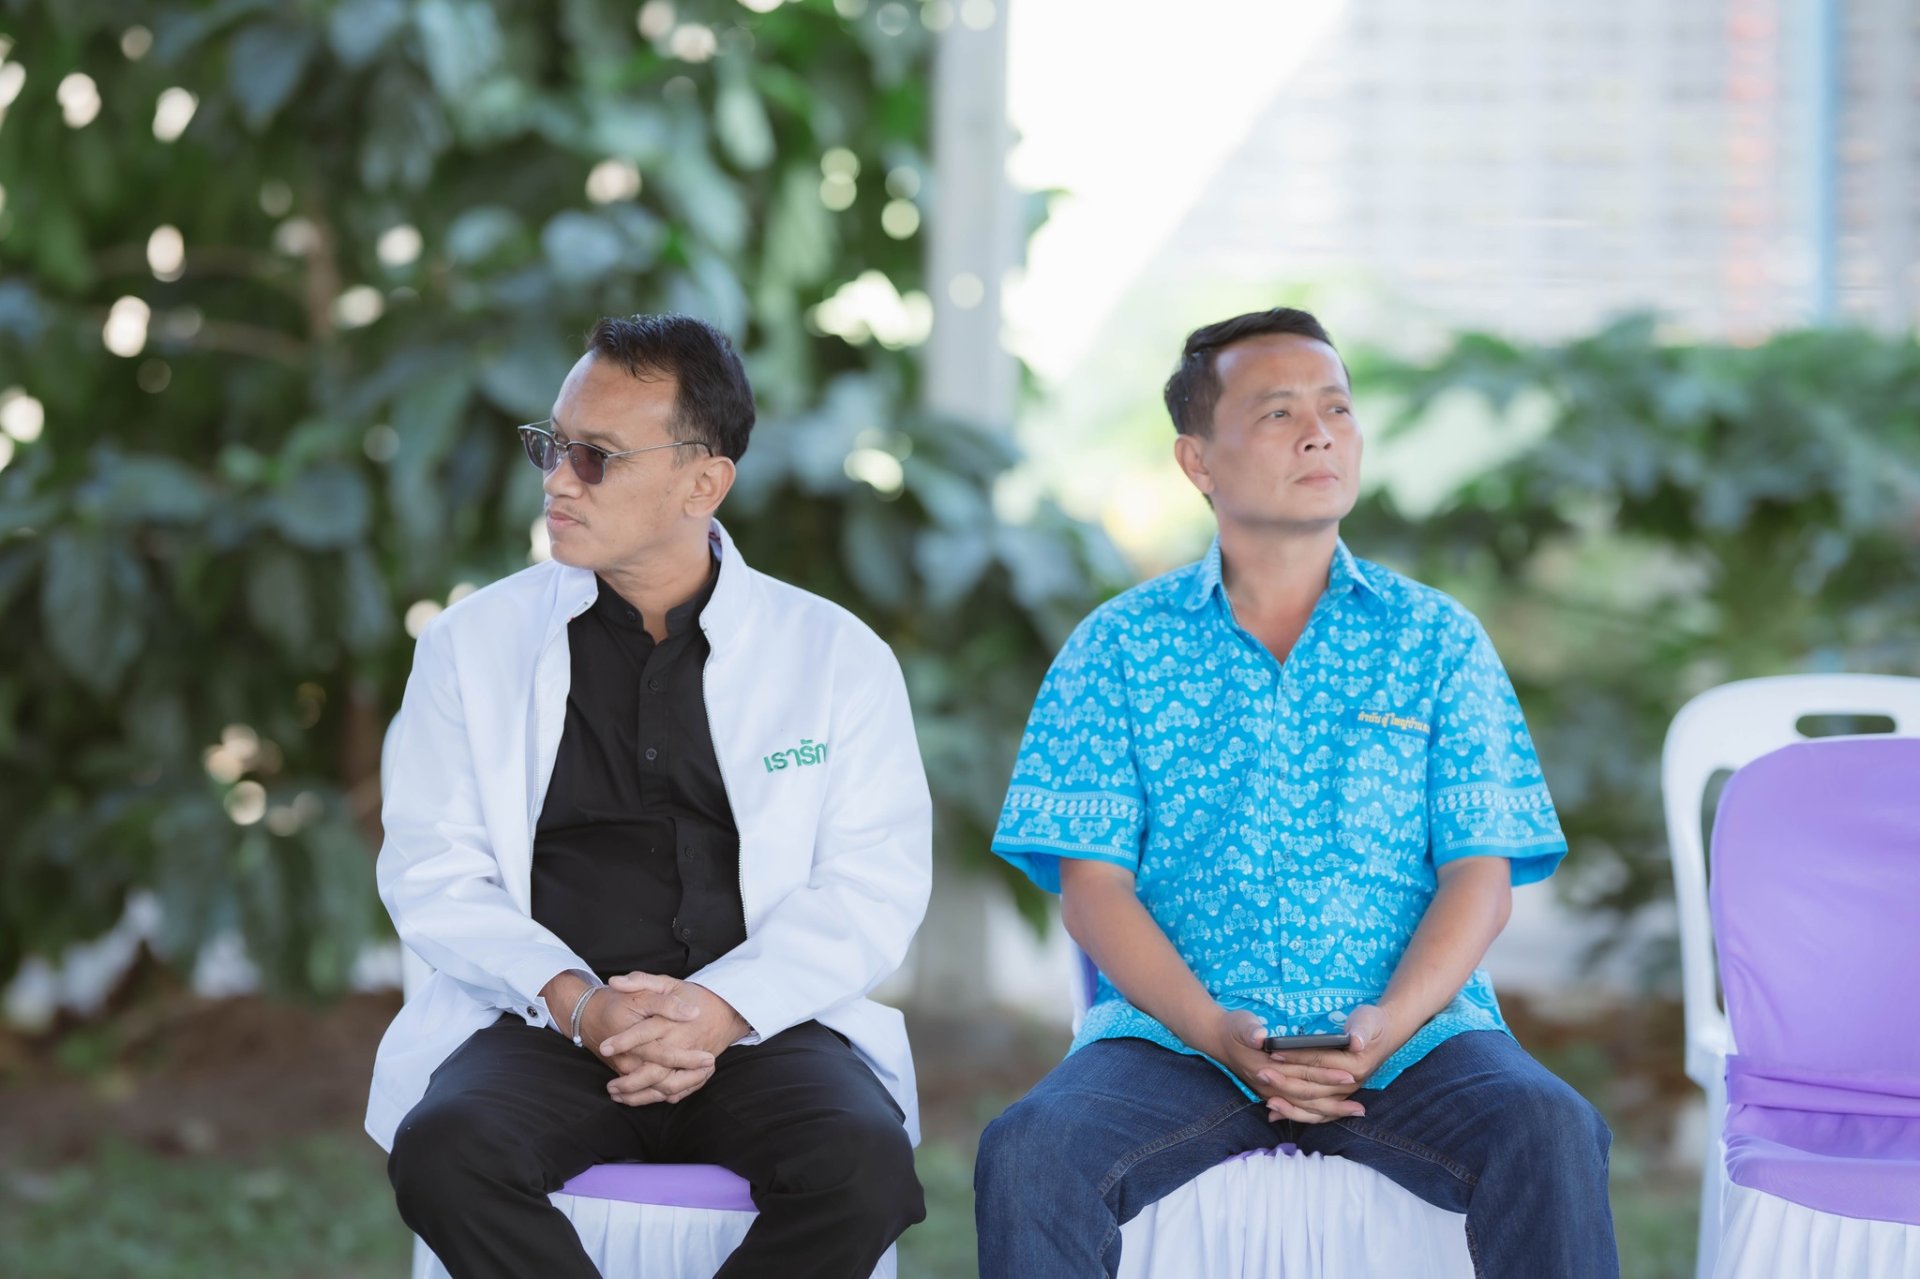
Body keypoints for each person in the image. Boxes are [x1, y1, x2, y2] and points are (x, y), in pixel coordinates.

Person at [974, 307, 1617, 1278]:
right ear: (1198, 460)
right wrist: (1211, 1029)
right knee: (1030, 1152)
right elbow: (1093, 890)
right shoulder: (1117, 647)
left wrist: (1385, 1024)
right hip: (1177, 1041)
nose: (1320, 433)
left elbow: (1480, 877)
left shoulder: (1437, 640)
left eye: (1337, 408)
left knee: (1551, 1127)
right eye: (1278, 412)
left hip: (1415, 1040)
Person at [365, 314, 932, 1279]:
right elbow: (435, 872)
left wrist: (718, 1007)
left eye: (595, 457)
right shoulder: (471, 646)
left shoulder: (834, 655)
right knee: (446, 1152)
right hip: (548, 1021)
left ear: (702, 483)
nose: (557, 480)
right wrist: (579, 1003)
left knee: (862, 1167)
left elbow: (872, 884)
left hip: (760, 1023)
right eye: (551, 446)